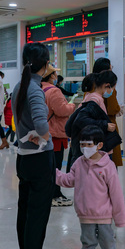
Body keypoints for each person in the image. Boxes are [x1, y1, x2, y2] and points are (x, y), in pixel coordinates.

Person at [13, 42, 64, 249]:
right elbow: (42, 126)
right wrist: (42, 137)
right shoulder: (35, 89)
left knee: (25, 210)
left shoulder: (19, 86)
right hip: (39, 159)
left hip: (23, 157)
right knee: (38, 215)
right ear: (45, 64)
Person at [56, 125, 125, 249]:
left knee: (107, 240)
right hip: (85, 213)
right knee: (87, 241)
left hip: (104, 214)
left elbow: (116, 194)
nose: (85, 148)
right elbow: (69, 180)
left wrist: (120, 219)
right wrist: (53, 173)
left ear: (99, 145)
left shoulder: (108, 166)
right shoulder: (78, 163)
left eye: (89, 144)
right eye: (82, 144)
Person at [65, 71, 121, 171]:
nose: (112, 91)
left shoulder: (92, 97)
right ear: (107, 85)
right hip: (95, 149)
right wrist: (105, 125)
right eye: (112, 88)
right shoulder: (94, 99)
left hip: (94, 147)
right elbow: (82, 120)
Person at [42, 63, 76, 207]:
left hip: (46, 132)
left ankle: (49, 193)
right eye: (54, 74)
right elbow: (62, 111)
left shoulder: (40, 89)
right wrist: (72, 106)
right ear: (50, 76)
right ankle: (55, 194)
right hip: (56, 133)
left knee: (49, 165)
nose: (56, 76)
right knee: (55, 165)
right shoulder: (54, 91)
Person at [92, 57, 123, 168]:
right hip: (108, 127)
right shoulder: (107, 86)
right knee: (109, 165)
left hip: (93, 129)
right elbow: (112, 108)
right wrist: (119, 109)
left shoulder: (91, 85)